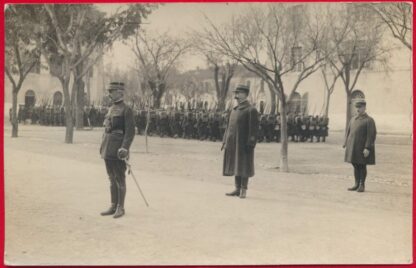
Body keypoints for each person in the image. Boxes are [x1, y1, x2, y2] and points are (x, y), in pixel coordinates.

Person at [100, 82, 135, 218]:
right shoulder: (110, 108)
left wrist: (125, 148)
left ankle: (121, 207)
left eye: (112, 91)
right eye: (109, 91)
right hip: (108, 147)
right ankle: (113, 205)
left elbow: (130, 132)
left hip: (118, 149)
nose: (110, 94)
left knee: (120, 178)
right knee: (111, 178)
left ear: (120, 93)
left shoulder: (127, 110)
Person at [222, 84, 259, 199]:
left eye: (239, 93)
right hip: (233, 143)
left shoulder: (251, 110)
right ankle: (237, 188)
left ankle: (243, 189)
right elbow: (228, 127)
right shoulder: (234, 110)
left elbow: (254, 129)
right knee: (235, 164)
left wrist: (251, 143)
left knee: (243, 165)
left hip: (243, 144)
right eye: (236, 93)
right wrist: (225, 141)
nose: (236, 95)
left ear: (245, 95)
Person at [343, 99, 377, 193]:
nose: (358, 109)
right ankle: (356, 183)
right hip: (352, 146)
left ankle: (362, 185)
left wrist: (367, 148)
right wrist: (345, 142)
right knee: (355, 164)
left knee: (361, 165)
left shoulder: (369, 120)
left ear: (364, 108)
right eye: (357, 107)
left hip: (362, 148)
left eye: (360, 107)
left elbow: (371, 135)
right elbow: (348, 131)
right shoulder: (353, 119)